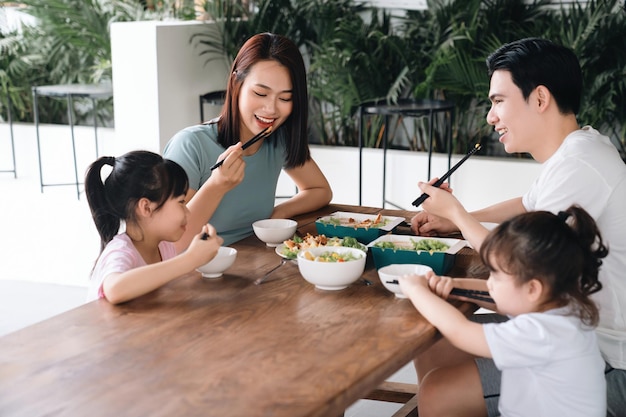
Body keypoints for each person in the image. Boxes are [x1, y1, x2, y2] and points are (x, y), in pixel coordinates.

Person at [411, 38, 626, 416]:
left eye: (498, 101)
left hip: (605, 355)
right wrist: (457, 218)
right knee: (433, 341)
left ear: (539, 99)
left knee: (437, 393)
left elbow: (518, 264)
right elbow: (529, 206)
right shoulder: (578, 150)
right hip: (572, 326)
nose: (491, 117)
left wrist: (460, 216)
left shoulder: (581, 166)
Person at [400, 206, 607, 416]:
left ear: (533, 289)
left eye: (496, 276)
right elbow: (502, 298)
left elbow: (460, 331)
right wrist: (454, 285)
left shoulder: (540, 333)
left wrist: (416, 290)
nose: (489, 283)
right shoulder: (564, 306)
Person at [163, 32, 332, 249]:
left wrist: (279, 212)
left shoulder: (277, 140)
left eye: (285, 98)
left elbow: (320, 190)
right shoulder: (189, 145)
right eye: (261, 93)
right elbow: (171, 244)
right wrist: (217, 185)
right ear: (236, 84)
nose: (271, 109)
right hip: (200, 272)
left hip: (256, 265)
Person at [84, 150, 223, 304]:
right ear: (146, 207)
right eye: (181, 202)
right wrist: (190, 259)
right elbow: (115, 289)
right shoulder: (120, 251)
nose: (187, 213)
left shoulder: (164, 246)